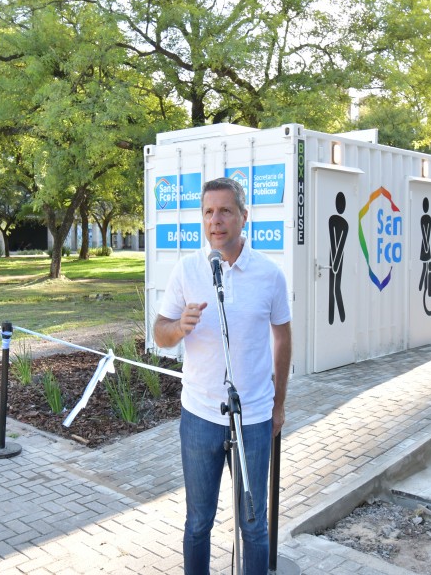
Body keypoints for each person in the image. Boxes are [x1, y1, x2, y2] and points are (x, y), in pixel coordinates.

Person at [153, 177, 292, 575]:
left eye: (225, 211)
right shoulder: (187, 270)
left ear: (244, 217)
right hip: (199, 415)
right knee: (198, 523)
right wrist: (179, 327)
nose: (216, 220)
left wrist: (278, 404)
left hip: (253, 416)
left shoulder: (269, 274)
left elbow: (282, 339)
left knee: (254, 524)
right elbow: (160, 333)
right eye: (209, 212)